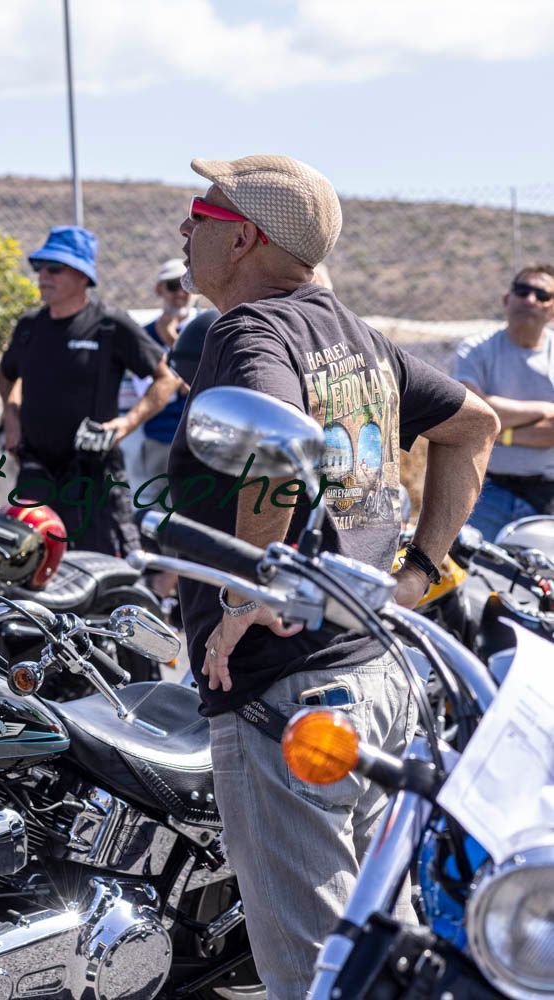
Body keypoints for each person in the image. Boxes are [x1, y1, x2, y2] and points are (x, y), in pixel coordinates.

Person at [168, 154, 497, 999]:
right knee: (376, 951)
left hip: (290, 695)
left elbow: (275, 441)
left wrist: (249, 591)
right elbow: (476, 425)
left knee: (321, 978)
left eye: (199, 212)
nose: (184, 226)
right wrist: (420, 570)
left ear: (242, 236)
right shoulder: (358, 337)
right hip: (375, 675)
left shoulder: (253, 331)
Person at [0, 226, 181, 555]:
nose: (43, 276)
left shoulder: (110, 325)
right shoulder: (29, 326)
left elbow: (165, 380)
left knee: (103, 568)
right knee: (27, 565)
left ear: (83, 275)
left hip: (93, 473)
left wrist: (126, 424)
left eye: (55, 268)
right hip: (36, 470)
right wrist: (11, 415)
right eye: (40, 267)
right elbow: (6, 374)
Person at [452, 263, 554, 537]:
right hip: (486, 491)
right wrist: (545, 409)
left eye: (541, 295)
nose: (530, 300)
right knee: (467, 571)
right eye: (522, 291)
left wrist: (497, 432)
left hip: (546, 496)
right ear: (507, 299)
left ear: (552, 309)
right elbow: (472, 413)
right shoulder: (476, 350)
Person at [130, 257, 201, 486]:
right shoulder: (144, 335)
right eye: (173, 285)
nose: (180, 293)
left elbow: (206, 385)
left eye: (186, 285)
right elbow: (146, 390)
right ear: (159, 289)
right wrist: (179, 386)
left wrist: (172, 342)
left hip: (200, 439)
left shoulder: (207, 327)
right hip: (161, 439)